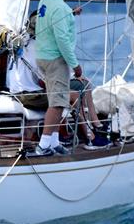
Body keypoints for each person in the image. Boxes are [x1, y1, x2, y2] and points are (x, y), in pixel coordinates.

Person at [7, 12, 109, 149]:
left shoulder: (24, 43)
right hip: (28, 94)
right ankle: (90, 137)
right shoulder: (36, 47)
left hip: (30, 89)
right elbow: (47, 78)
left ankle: (95, 124)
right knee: (74, 97)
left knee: (84, 85)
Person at [33, 0, 81, 156]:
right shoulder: (60, 7)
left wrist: (70, 13)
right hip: (55, 60)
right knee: (58, 103)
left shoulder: (45, 2)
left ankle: (54, 142)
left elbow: (56, 14)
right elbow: (62, 39)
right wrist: (75, 64)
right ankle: (43, 145)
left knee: (56, 99)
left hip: (43, 57)